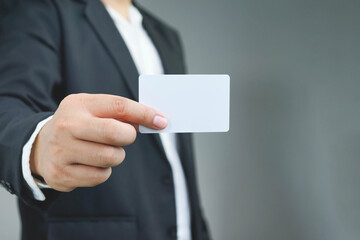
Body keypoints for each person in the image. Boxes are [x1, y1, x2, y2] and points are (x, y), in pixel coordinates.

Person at [0, 0, 211, 239]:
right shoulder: (39, 8)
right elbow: (7, 104)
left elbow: (176, 156)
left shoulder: (166, 36)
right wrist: (38, 147)